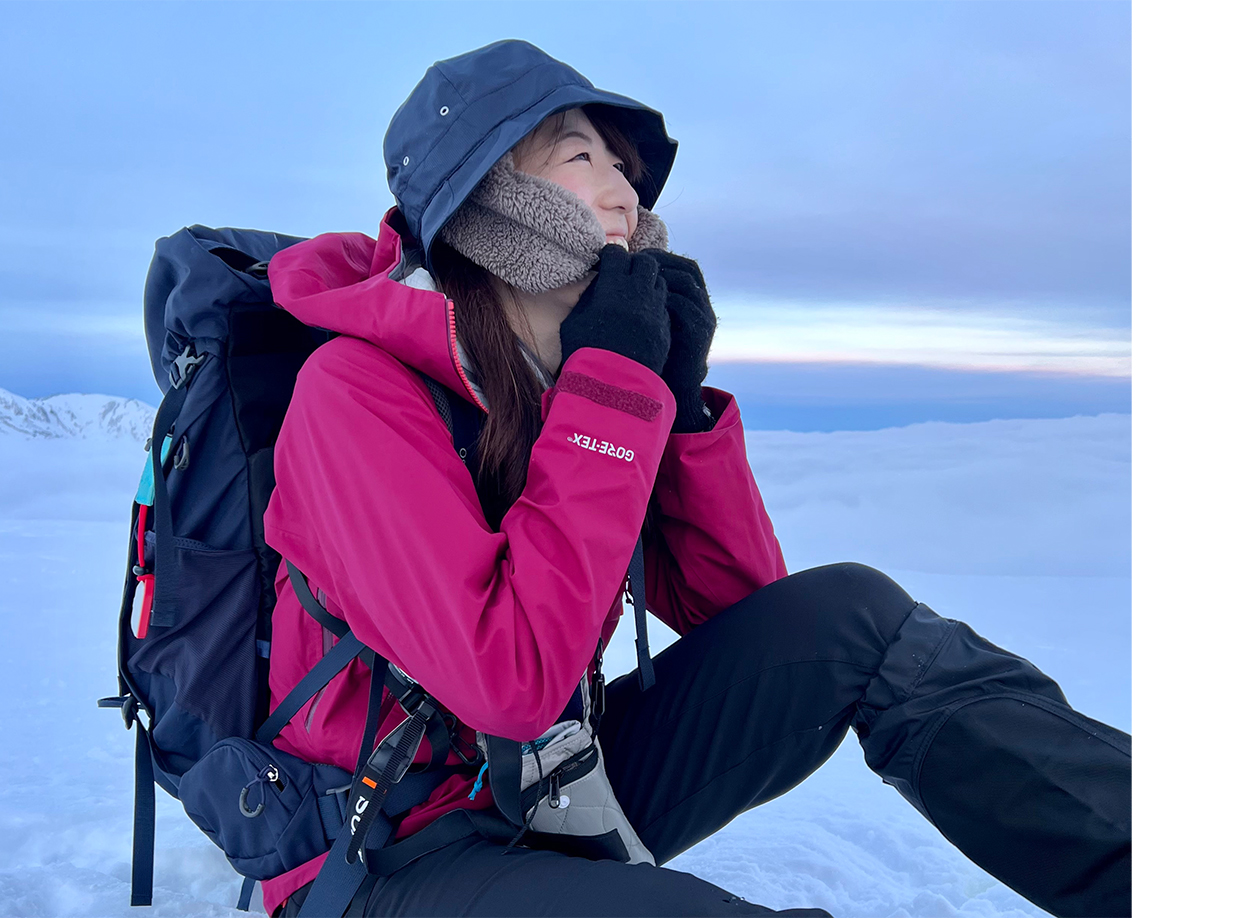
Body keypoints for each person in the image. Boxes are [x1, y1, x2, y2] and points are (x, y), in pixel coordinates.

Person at [261, 39, 1131, 918]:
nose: (624, 194)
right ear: (490, 201)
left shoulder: (548, 382)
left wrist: (674, 411)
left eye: (624, 167)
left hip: (549, 786)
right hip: (389, 852)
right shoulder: (353, 394)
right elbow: (511, 682)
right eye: (579, 155)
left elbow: (749, 616)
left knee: (854, 616)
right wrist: (612, 395)